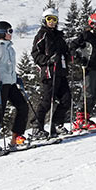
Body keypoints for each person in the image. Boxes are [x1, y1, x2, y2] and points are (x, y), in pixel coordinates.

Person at [0, 21, 30, 151]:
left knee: (23, 106)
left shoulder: (10, 48)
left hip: (10, 82)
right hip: (0, 83)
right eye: (9, 31)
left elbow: (8, 67)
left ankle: (16, 136)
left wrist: (16, 77)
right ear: (2, 33)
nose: (11, 34)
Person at [30, 8, 72, 138]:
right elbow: (35, 54)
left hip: (61, 72)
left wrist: (70, 55)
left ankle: (57, 124)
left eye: (54, 19)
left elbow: (65, 51)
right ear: (44, 20)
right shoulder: (42, 34)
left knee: (66, 100)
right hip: (49, 72)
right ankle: (37, 127)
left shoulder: (59, 36)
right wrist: (48, 60)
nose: (52, 22)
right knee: (47, 101)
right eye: (49, 19)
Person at [70, 12, 96, 130]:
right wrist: (79, 58)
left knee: (95, 94)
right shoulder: (86, 35)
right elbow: (72, 47)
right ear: (93, 23)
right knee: (88, 93)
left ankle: (86, 117)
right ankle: (80, 119)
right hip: (89, 67)